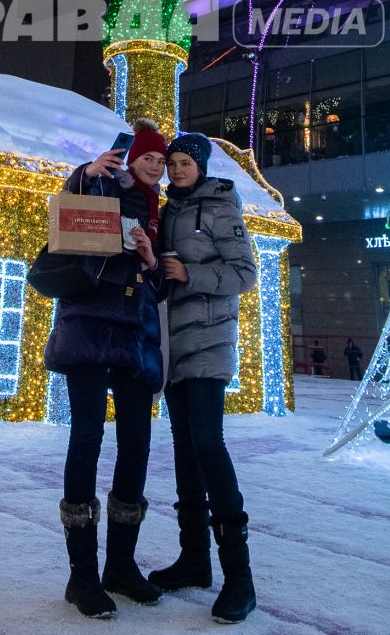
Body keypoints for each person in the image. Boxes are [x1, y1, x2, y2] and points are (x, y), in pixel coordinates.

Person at [43, 118, 167, 619]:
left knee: (137, 442)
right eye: (149, 159)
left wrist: (150, 257)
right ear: (129, 158)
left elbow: (157, 271)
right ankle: (82, 577)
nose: (156, 168)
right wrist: (86, 170)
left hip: (136, 330)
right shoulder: (100, 182)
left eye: (161, 160)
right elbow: (68, 210)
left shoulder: (160, 207)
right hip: (91, 325)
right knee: (88, 438)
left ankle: (121, 565)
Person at [149, 132, 259, 625]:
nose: (175, 170)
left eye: (183, 163)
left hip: (209, 344)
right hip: (173, 345)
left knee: (208, 445)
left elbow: (244, 273)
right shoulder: (167, 211)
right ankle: (194, 559)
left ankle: (240, 577)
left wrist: (190, 274)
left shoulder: (219, 207)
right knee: (184, 448)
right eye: (171, 163)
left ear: (201, 165)